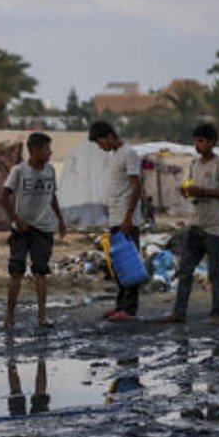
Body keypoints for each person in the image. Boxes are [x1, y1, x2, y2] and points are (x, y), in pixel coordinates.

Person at [167, 123, 219, 325]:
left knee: (214, 272)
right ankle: (179, 312)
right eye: (196, 141)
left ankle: (217, 313)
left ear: (212, 142)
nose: (197, 145)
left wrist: (203, 192)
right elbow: (191, 187)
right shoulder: (194, 164)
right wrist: (186, 191)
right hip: (197, 224)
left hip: (215, 227)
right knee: (185, 269)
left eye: (201, 141)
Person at [0, 132, 66, 328]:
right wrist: (16, 219)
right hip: (21, 230)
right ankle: (9, 317)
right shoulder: (19, 171)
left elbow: (52, 197)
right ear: (35, 150)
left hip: (44, 229)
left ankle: (42, 316)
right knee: (16, 272)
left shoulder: (50, 171)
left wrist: (60, 220)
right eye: (46, 149)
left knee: (40, 272)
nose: (50, 152)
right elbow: (3, 198)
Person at [89, 121, 142, 321]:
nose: (100, 147)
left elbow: (136, 187)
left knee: (130, 264)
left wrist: (128, 216)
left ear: (109, 136)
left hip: (126, 218)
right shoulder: (114, 156)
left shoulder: (130, 153)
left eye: (100, 142)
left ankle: (129, 309)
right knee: (119, 264)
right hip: (115, 217)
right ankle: (120, 305)